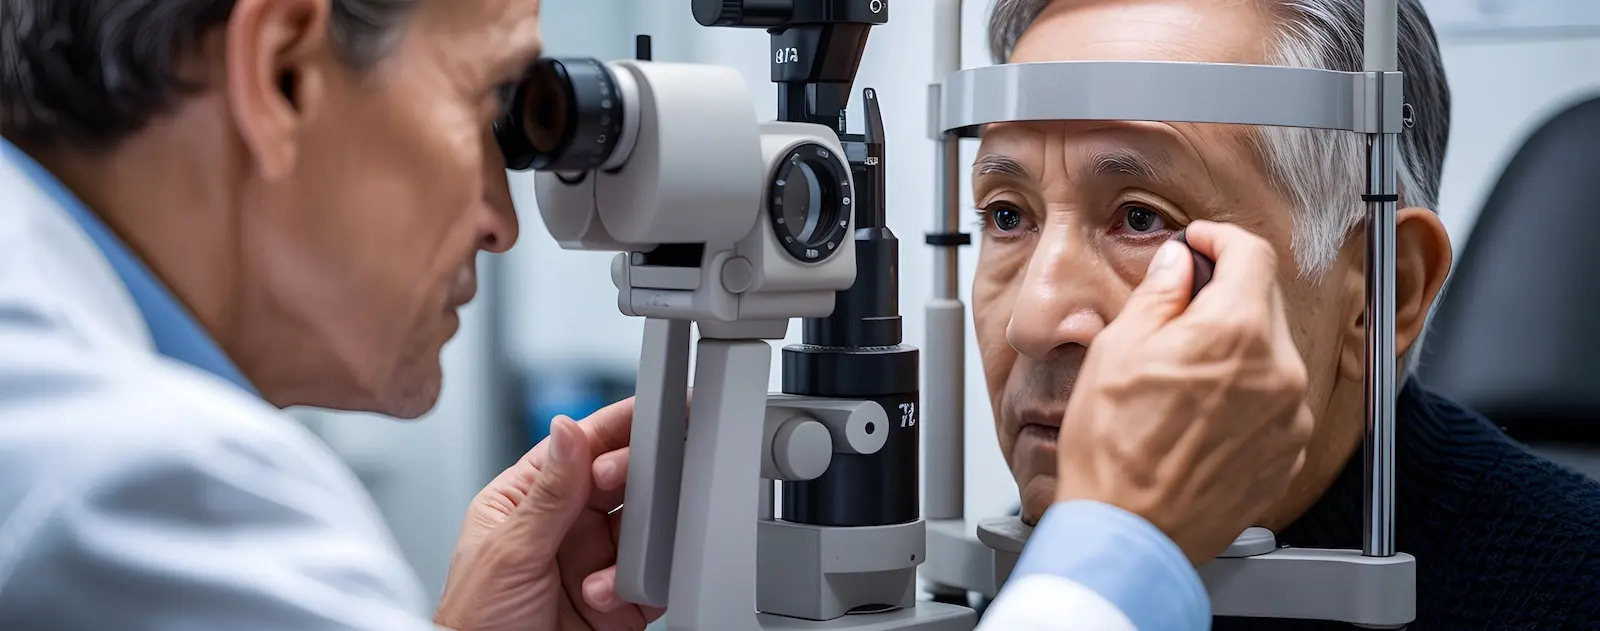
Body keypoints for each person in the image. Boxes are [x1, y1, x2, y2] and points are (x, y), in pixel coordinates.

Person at [0, 0, 1309, 630]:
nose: (504, 216)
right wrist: (1119, 551)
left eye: (1141, 218)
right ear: (281, 69)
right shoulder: (130, 480)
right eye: (491, 114)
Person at [975, 0, 1600, 628]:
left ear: (1383, 292)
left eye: (1142, 218)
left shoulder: (1570, 594)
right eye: (1007, 215)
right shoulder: (1008, 575)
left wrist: (1108, 559)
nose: (1033, 320)